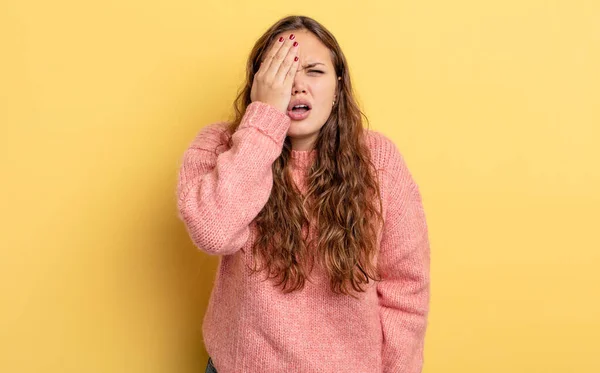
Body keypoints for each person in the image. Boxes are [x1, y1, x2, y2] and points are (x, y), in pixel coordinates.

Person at [176, 15, 431, 373]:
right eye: (280, 71)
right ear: (258, 84)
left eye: (314, 71)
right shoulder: (220, 147)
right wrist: (264, 118)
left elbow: (406, 290)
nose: (297, 85)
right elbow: (214, 231)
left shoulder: (379, 162)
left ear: (338, 86)